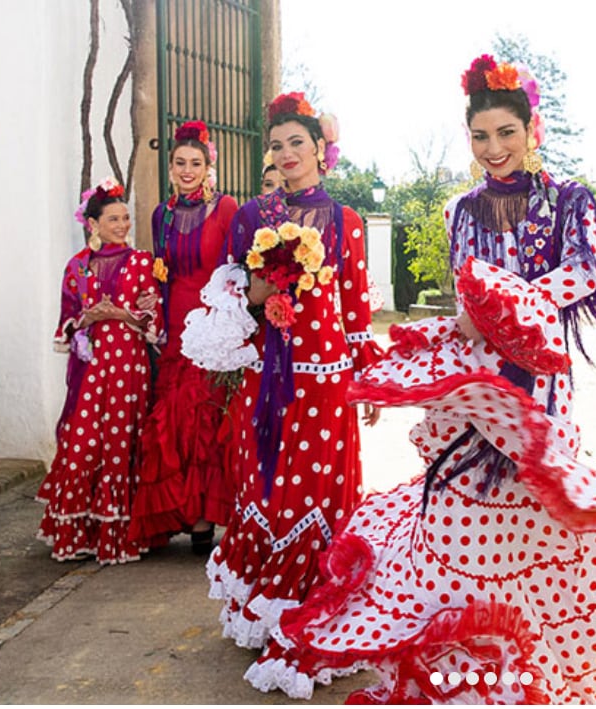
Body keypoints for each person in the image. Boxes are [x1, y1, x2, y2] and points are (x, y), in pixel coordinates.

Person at [234, 54, 596, 705]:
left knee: (538, 530)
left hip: (541, 389)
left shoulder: (568, 199)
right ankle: (474, 676)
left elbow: (581, 276)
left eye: (505, 133)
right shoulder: (459, 208)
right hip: (476, 390)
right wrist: (470, 323)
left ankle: (536, 672)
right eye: (480, 136)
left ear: (530, 129)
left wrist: (510, 301)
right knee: (468, 531)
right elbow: (464, 293)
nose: (494, 148)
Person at [195, 93, 384, 647]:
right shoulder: (254, 216)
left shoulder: (345, 220)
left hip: (326, 373)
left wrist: (365, 376)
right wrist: (268, 279)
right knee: (266, 481)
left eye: (296, 142)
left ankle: (316, 607)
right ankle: (264, 607)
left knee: (319, 487)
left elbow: (353, 305)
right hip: (268, 370)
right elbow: (237, 292)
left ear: (321, 149)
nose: (285, 153)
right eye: (276, 145)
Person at [129, 120, 240, 554]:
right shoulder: (163, 213)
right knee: (172, 418)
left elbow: (236, 269)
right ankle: (176, 513)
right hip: (175, 324)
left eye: (196, 162)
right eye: (180, 163)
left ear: (208, 166)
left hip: (212, 323)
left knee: (205, 419)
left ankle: (203, 521)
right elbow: (161, 271)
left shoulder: (226, 208)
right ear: (171, 168)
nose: (188, 170)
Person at [37, 179, 161, 564]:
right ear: (94, 223)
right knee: (83, 444)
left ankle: (121, 534)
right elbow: (66, 321)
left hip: (129, 366)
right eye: (113, 219)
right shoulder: (76, 267)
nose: (123, 225)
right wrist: (87, 318)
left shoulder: (142, 262)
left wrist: (122, 314)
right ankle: (81, 533)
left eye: (126, 218)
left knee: (122, 442)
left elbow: (155, 318)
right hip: (92, 367)